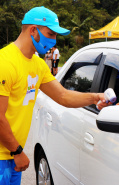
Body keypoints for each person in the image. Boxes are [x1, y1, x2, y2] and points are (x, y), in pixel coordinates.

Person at [0, 6, 109, 185]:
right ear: (33, 30)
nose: (54, 40)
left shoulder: (38, 65)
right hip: (4, 157)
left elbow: (63, 96)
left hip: (12, 156)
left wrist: (95, 97)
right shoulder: (4, 62)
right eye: (50, 34)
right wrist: (18, 151)